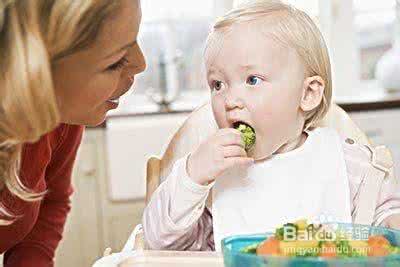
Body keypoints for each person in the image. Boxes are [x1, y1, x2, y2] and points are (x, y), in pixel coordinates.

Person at [142, 0, 400, 251]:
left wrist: (390, 224)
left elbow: (385, 218)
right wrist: (192, 177)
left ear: (308, 93)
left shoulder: (348, 164)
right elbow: (160, 245)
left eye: (252, 79)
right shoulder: (212, 179)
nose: (230, 100)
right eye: (217, 84)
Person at [0, 0, 145, 266]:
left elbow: (49, 204)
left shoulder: (61, 117)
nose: (141, 64)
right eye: (115, 62)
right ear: (35, 73)